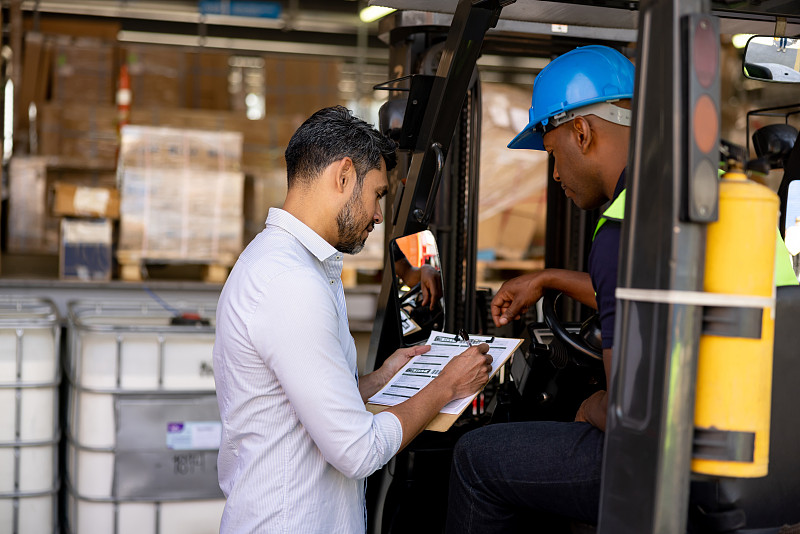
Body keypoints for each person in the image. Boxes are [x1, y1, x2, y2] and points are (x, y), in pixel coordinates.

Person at [213, 105, 493, 533]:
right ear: (343, 175)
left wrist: (380, 378)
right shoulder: (290, 282)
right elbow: (357, 450)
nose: (380, 215)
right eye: (378, 194)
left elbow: (303, 405)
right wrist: (447, 386)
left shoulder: (291, 265)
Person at [445, 45, 635, 533]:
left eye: (553, 156)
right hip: (748, 447)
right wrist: (547, 279)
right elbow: (655, 299)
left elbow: (629, 414)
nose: (555, 175)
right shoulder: (719, 197)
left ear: (582, 132)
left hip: (664, 464)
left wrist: (587, 407)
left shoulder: (621, 230)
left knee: (475, 459)